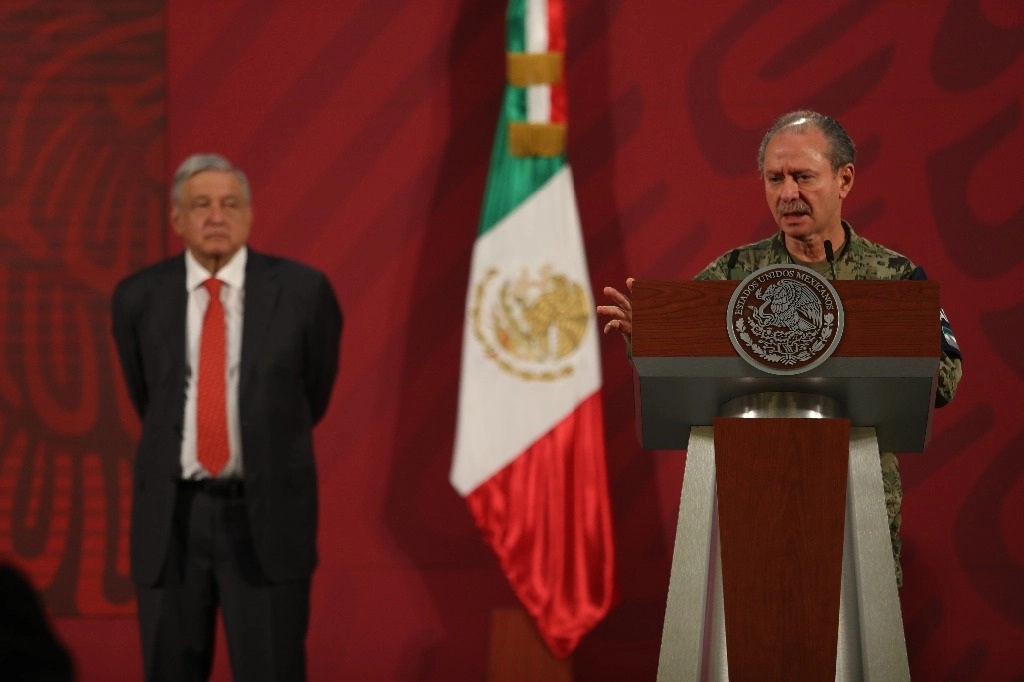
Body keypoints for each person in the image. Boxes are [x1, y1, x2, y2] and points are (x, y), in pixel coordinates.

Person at [597, 110, 963, 587]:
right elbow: (676, 366)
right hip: (753, 502)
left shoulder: (896, 279)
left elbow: (945, 382)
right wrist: (649, 339)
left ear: (844, 179)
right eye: (774, 178)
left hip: (859, 502)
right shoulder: (732, 275)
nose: (787, 193)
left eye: (803, 176)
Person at [111, 154, 343, 680]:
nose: (216, 216)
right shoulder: (137, 297)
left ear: (250, 215)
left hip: (265, 519)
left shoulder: (304, 293)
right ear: (177, 220)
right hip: (173, 520)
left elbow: (312, 396)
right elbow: (149, 397)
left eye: (229, 204)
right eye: (201, 205)